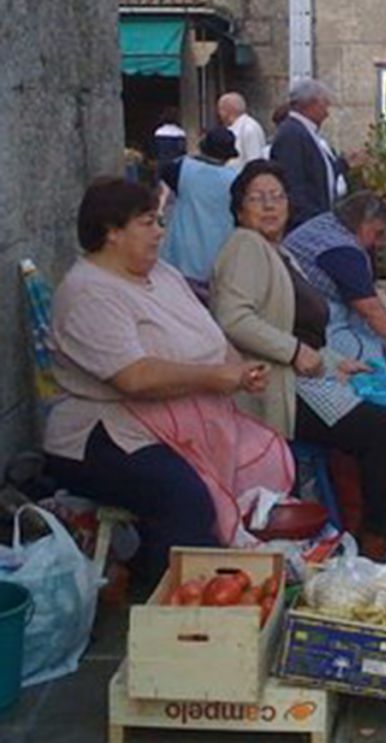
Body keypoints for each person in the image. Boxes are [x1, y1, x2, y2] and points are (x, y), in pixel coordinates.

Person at [43, 177, 288, 583]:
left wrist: (239, 372)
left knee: (254, 469)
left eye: (159, 221)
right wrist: (215, 377)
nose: (160, 232)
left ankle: (212, 578)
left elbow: (211, 334)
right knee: (188, 500)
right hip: (104, 435)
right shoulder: (88, 291)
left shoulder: (164, 275)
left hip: (178, 418)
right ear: (112, 232)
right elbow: (135, 378)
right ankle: (170, 603)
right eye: (148, 222)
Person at [211, 161, 386, 559]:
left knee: (381, 411)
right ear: (239, 209)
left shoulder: (278, 251)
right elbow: (234, 317)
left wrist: (333, 360)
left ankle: (366, 530)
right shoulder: (244, 246)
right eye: (257, 198)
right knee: (383, 429)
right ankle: (377, 541)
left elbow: (296, 326)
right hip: (277, 390)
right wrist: (295, 352)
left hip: (303, 377)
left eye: (277, 197)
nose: (269, 206)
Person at [283, 190, 386, 363]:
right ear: (365, 224)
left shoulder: (326, 223)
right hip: (309, 325)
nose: (377, 243)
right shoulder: (342, 251)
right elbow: (371, 310)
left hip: (297, 308)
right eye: (378, 233)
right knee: (372, 359)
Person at [158, 127, 239, 291]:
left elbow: (164, 171)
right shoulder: (236, 179)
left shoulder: (182, 169)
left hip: (181, 256)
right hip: (220, 255)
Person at [271, 78, 348, 228]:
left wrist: (343, 164)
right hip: (306, 223)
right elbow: (293, 183)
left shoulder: (305, 132)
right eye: (325, 105)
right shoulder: (292, 134)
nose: (327, 113)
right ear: (311, 104)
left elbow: (319, 172)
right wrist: (311, 221)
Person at [218, 92, 267, 167]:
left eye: (220, 109)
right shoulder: (236, 127)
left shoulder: (249, 129)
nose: (219, 114)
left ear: (228, 110)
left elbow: (254, 161)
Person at [152, 106, 186, 174]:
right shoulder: (180, 133)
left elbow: (155, 149)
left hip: (162, 163)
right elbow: (182, 150)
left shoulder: (158, 132)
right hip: (175, 164)